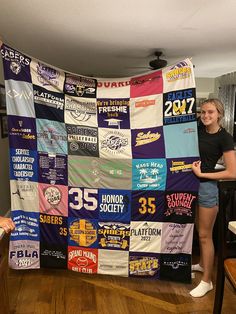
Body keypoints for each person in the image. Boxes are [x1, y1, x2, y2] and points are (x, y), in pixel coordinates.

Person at [190, 98, 236, 297]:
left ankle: (207, 281)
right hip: (192, 186)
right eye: (203, 112)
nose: (206, 116)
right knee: (200, 230)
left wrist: (203, 175)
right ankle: (201, 264)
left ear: (219, 114)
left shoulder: (224, 137)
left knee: (205, 235)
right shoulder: (199, 130)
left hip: (208, 188)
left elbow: (233, 172)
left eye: (210, 112)